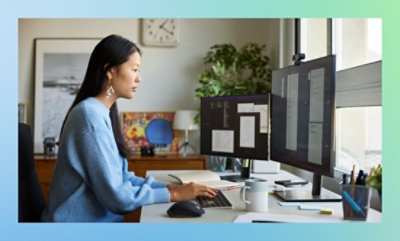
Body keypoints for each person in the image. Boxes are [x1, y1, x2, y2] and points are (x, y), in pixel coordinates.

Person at [41, 34, 217, 222]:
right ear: (109, 70)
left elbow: (122, 179)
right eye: (134, 69)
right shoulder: (90, 116)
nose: (139, 78)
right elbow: (118, 198)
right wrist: (174, 196)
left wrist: (170, 189)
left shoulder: (100, 112)